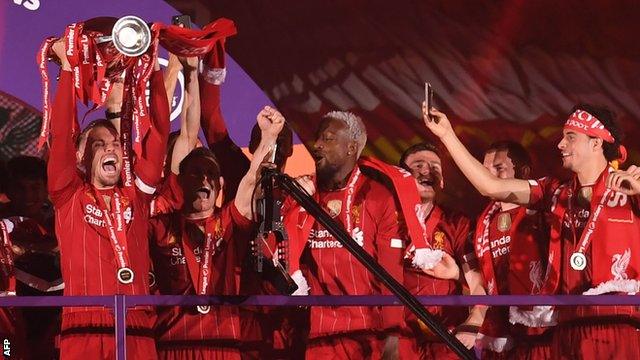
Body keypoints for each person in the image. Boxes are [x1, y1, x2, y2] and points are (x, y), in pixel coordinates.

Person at [422, 102, 640, 359]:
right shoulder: (554, 191)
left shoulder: (629, 187)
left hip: (618, 324)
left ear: (596, 143)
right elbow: (490, 187)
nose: (560, 144)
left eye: (570, 137)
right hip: (566, 329)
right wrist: (447, 134)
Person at [47, 39, 169, 359]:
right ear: (81, 157)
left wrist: (153, 72)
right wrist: (69, 68)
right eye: (98, 144)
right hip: (82, 325)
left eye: (115, 143)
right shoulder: (68, 194)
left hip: (137, 325)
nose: (111, 148)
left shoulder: (136, 196)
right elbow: (61, 135)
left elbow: (158, 135)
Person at [149, 105, 285, 359]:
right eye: (196, 173)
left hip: (224, 346)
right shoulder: (160, 226)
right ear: (180, 181)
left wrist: (269, 137)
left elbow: (251, 180)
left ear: (221, 184)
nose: (205, 180)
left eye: (212, 174)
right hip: (174, 346)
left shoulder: (229, 221)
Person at [282, 111, 405, 359]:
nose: (316, 145)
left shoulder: (377, 196)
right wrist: (289, 206)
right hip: (320, 335)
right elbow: (276, 251)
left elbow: (392, 271)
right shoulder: (303, 193)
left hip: (368, 334)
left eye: (327, 139)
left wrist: (392, 336)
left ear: (351, 148)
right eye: (318, 138)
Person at [397, 142, 486, 359]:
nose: (427, 171)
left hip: (447, 339)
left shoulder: (457, 223)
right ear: (400, 177)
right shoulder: (385, 220)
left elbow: (479, 283)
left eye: (435, 167)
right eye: (418, 165)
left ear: (443, 180)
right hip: (399, 338)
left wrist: (473, 321)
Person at [475, 141, 552, 359]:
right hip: (500, 335)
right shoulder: (483, 221)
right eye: (485, 171)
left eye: (498, 169)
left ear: (524, 171)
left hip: (540, 333)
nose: (489, 176)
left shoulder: (544, 214)